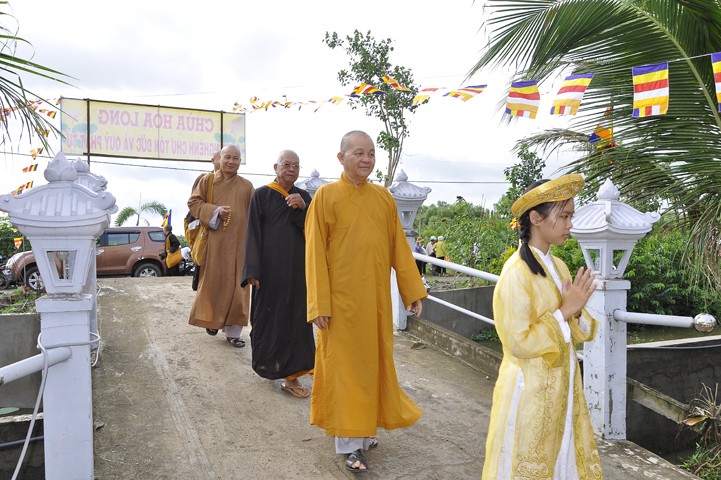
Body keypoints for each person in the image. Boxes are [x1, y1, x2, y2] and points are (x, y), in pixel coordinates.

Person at [305, 130, 427, 473]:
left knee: (371, 367)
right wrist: (318, 304)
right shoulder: (326, 196)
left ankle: (365, 430)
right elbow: (313, 253)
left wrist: (412, 290)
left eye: (371, 153)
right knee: (345, 371)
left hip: (375, 302)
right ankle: (351, 447)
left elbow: (399, 247)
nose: (366, 159)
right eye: (359, 153)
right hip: (339, 305)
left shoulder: (383, 198)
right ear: (341, 157)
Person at [482, 174, 603, 479]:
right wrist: (566, 311)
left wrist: (575, 311)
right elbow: (518, 341)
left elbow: (576, 328)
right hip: (529, 390)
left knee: (563, 456)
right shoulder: (516, 273)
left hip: (563, 384)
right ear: (536, 218)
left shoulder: (558, 266)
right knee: (526, 460)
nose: (570, 224)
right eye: (563, 216)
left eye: (571, 216)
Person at [241, 150, 315, 398]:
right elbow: (252, 233)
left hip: (298, 273)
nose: (291, 169)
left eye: (296, 165)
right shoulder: (262, 195)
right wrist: (252, 270)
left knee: (297, 321)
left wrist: (303, 208)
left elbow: (315, 231)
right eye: (286, 164)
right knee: (270, 320)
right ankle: (272, 367)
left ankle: (292, 376)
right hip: (270, 273)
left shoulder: (304, 196)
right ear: (276, 167)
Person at [187, 145, 254, 347]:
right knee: (214, 284)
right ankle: (213, 320)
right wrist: (215, 211)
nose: (231, 161)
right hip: (215, 244)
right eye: (227, 157)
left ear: (240, 162)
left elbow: (256, 214)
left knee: (239, 289)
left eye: (236, 158)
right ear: (219, 159)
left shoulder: (247, 186)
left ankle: (234, 333)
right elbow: (193, 203)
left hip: (240, 245)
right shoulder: (207, 181)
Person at [187, 150, 221, 291]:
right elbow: (194, 205)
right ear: (213, 160)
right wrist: (215, 212)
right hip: (206, 228)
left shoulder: (239, 183)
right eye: (221, 158)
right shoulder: (205, 179)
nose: (226, 162)